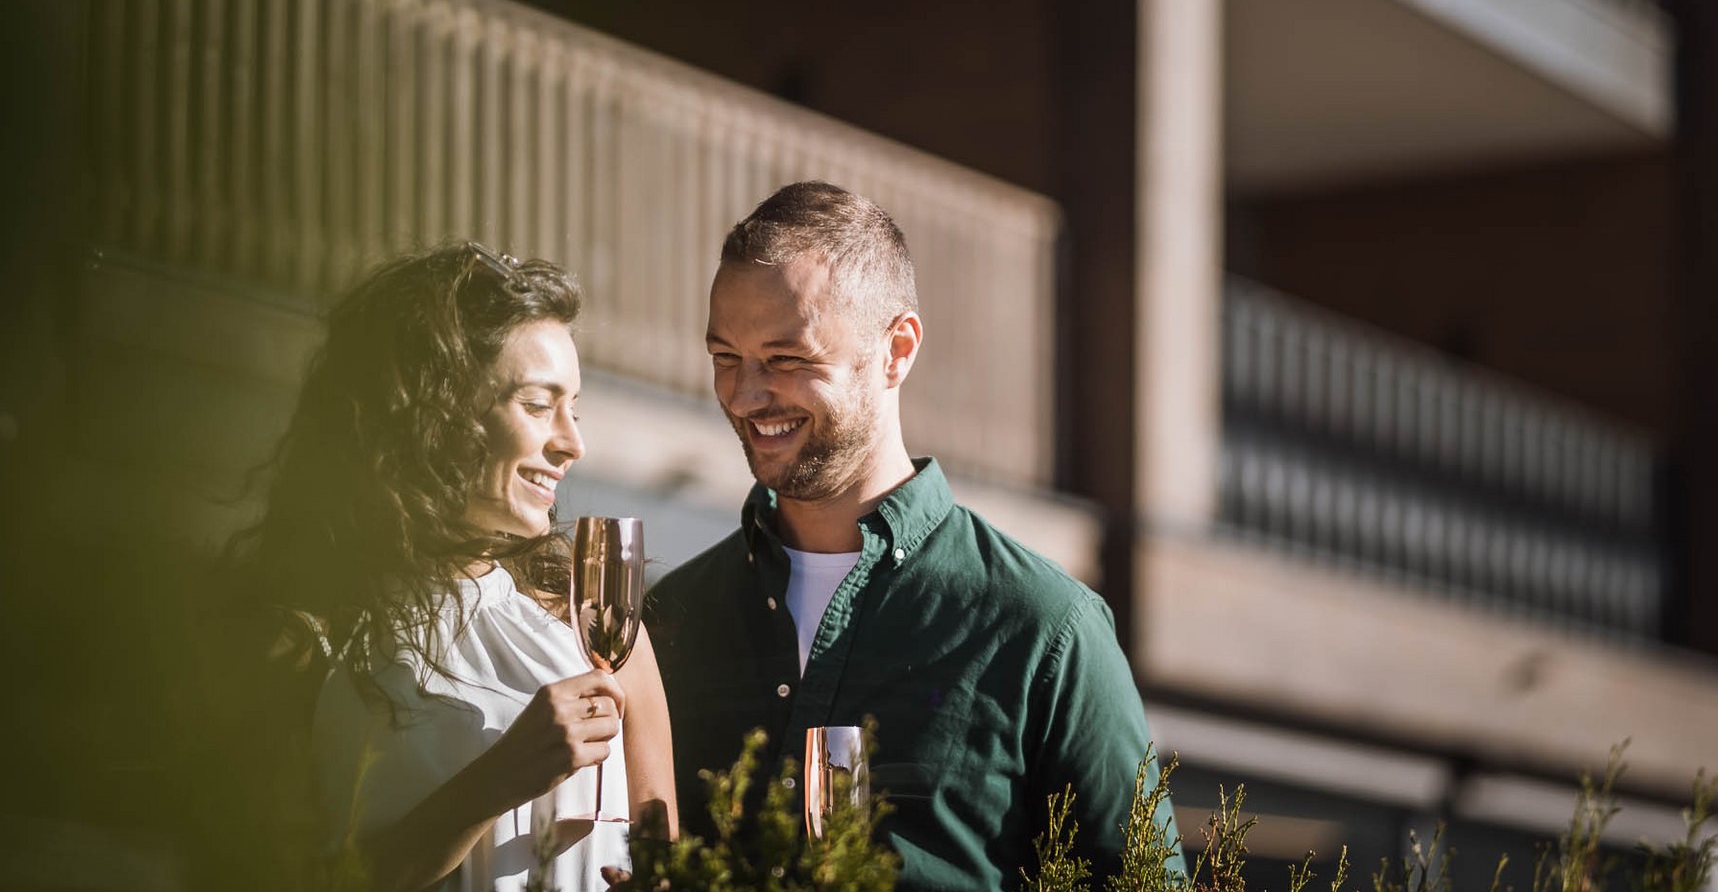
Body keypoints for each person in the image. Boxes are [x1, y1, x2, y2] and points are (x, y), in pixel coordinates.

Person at [645, 182, 1182, 889]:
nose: (745, 395)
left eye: (786, 359)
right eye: (724, 357)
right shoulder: (672, 617)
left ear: (896, 349)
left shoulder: (1046, 628)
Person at [227, 242, 675, 892]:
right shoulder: (307, 640)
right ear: (433, 413)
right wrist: (498, 779)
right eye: (536, 403)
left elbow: (670, 865)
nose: (572, 442)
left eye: (573, 407)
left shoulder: (596, 630)